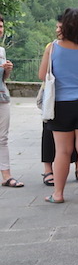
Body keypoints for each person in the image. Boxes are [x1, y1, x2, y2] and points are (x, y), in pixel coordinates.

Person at [38, 8, 78, 203]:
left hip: (60, 105)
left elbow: (42, 75)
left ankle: (58, 194)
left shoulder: (53, 48)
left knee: (62, 151)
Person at [0, 13, 23, 188]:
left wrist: (7, 70)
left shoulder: (1, 50)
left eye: (1, 26)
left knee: (3, 138)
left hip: (2, 97)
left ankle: (6, 175)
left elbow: (3, 78)